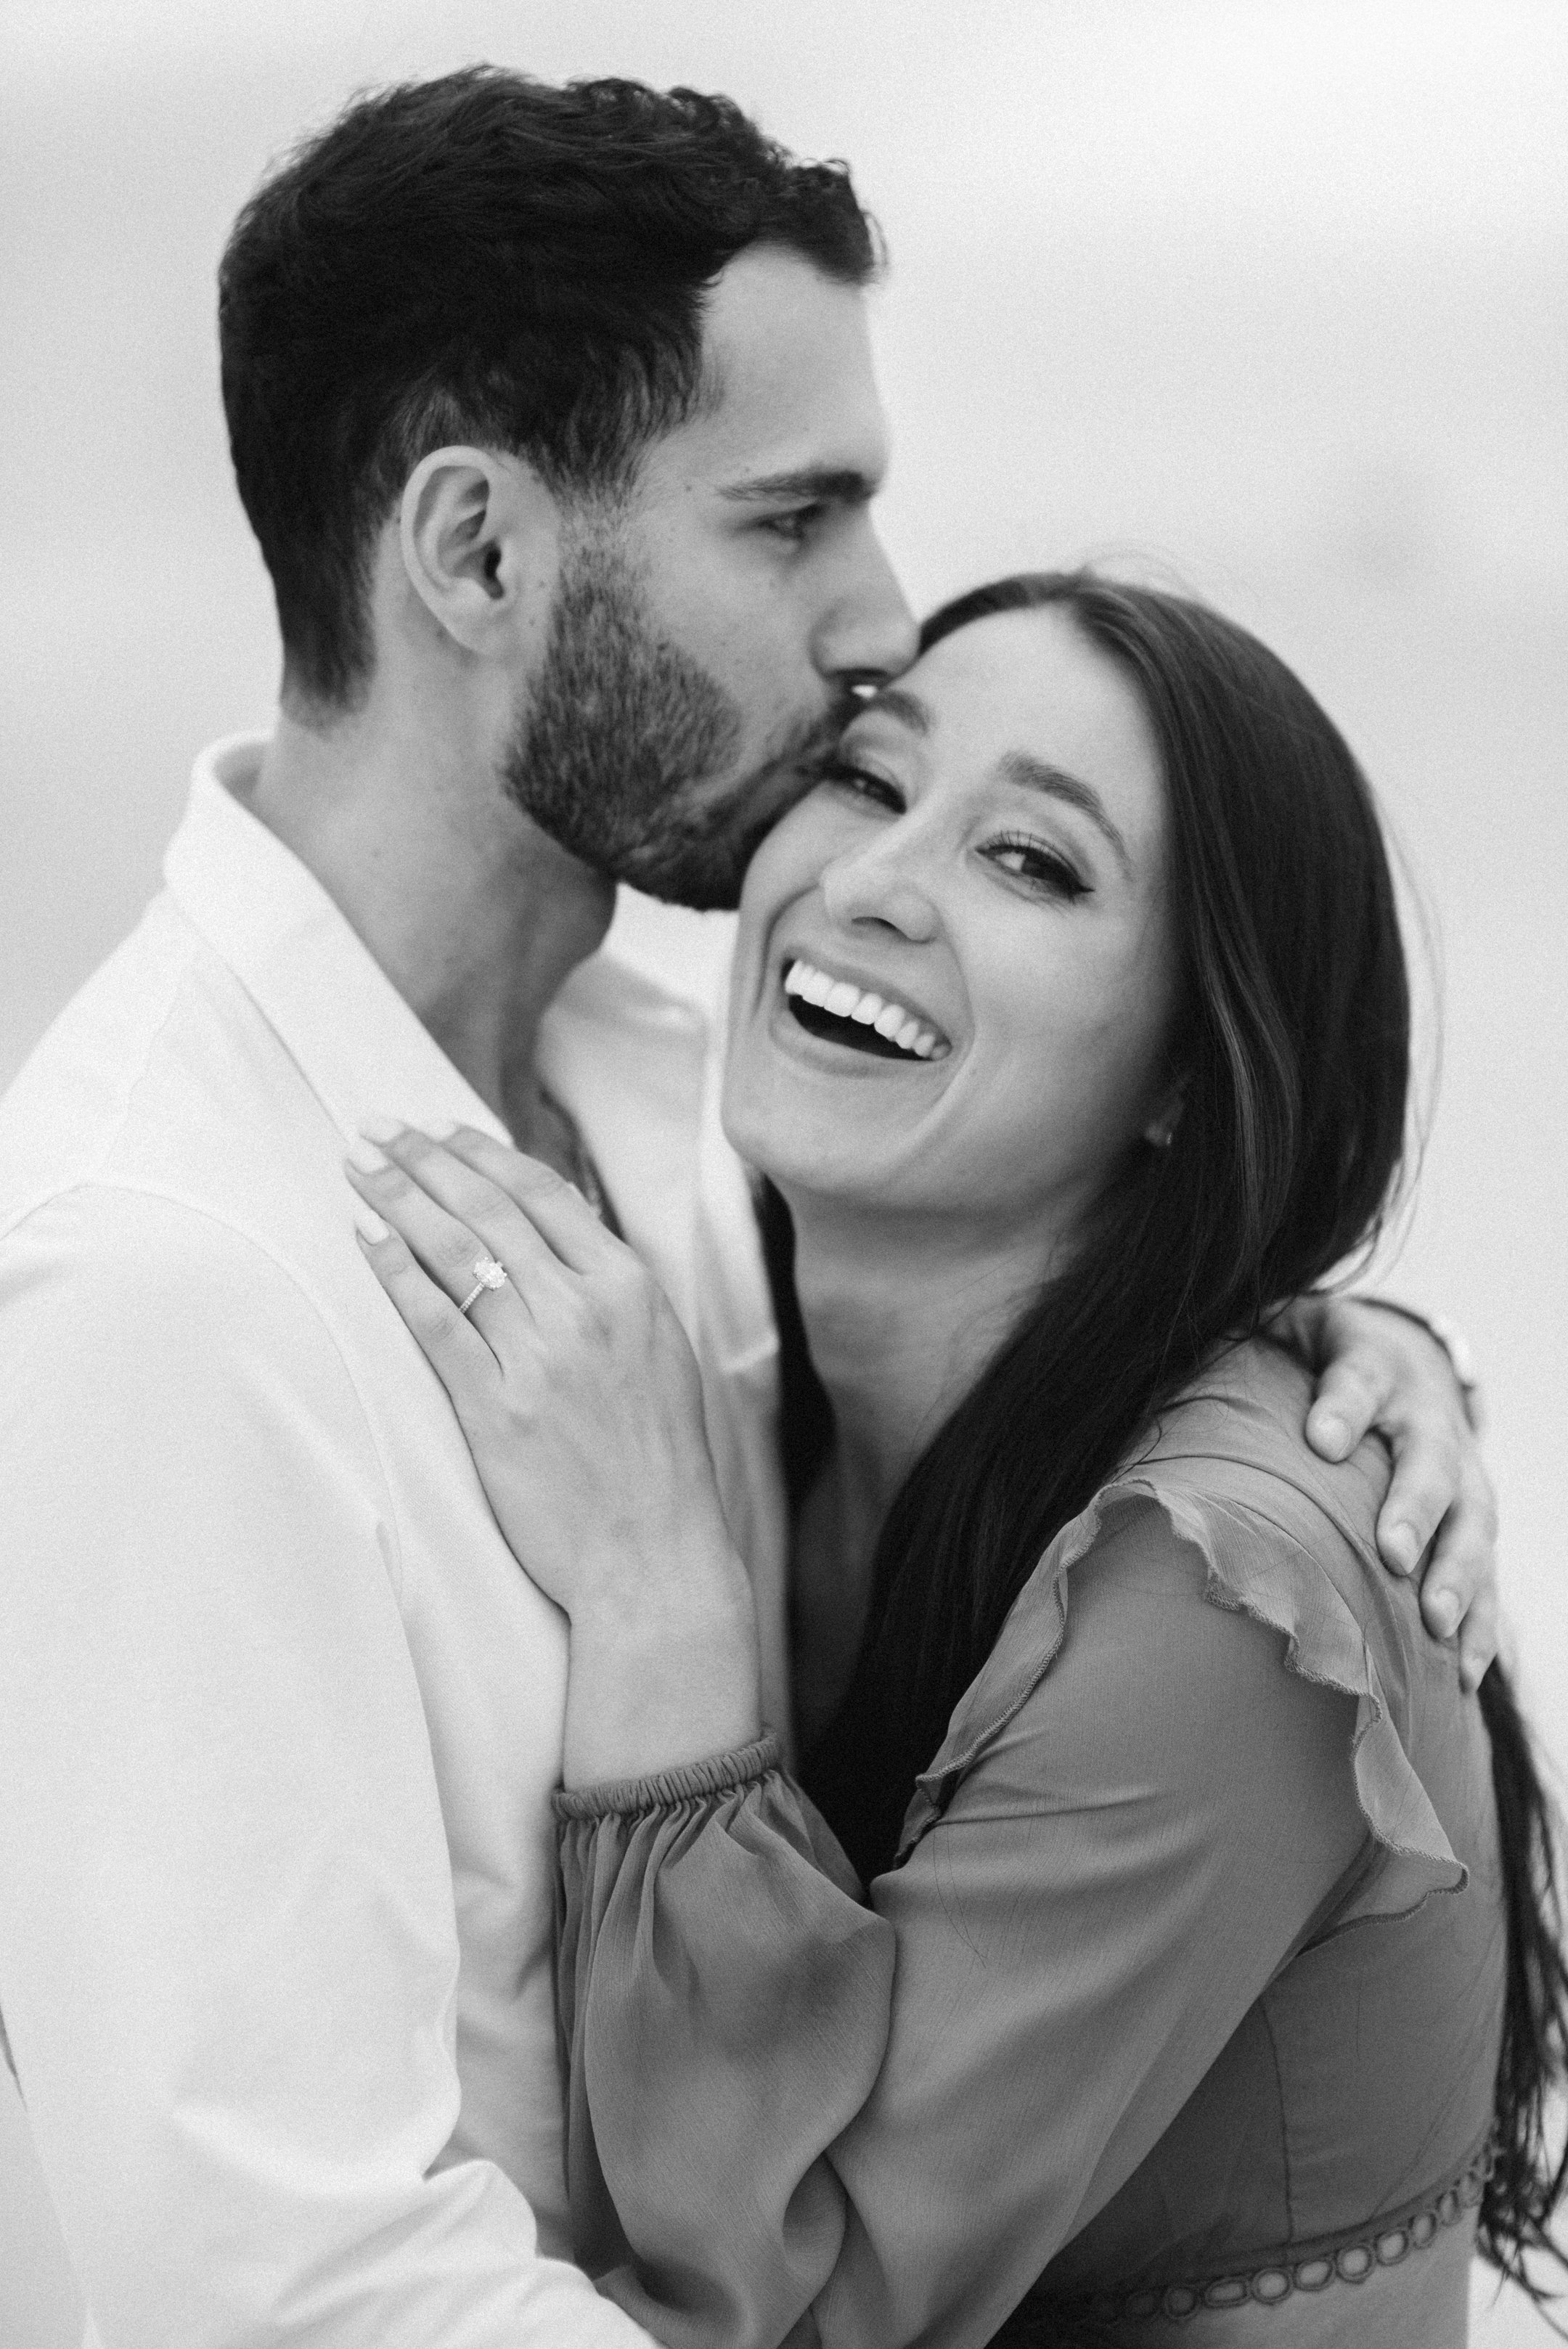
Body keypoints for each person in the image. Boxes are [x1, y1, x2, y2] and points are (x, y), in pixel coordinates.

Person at [0, 66, 1494, 2348]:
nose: (878, 619)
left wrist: (1300, 1340)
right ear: (484, 554)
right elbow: (286, 2297)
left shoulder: (690, 1106)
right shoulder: (166, 1276)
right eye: (795, 518)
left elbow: (1050, 1367)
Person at [356, 573, 1567, 2348]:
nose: (867, 881)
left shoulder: (1223, 1595)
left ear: (1189, 1070)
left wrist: (658, 1597)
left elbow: (811, 2300)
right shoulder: (779, 1379)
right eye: (866, 779)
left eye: (1033, 863)